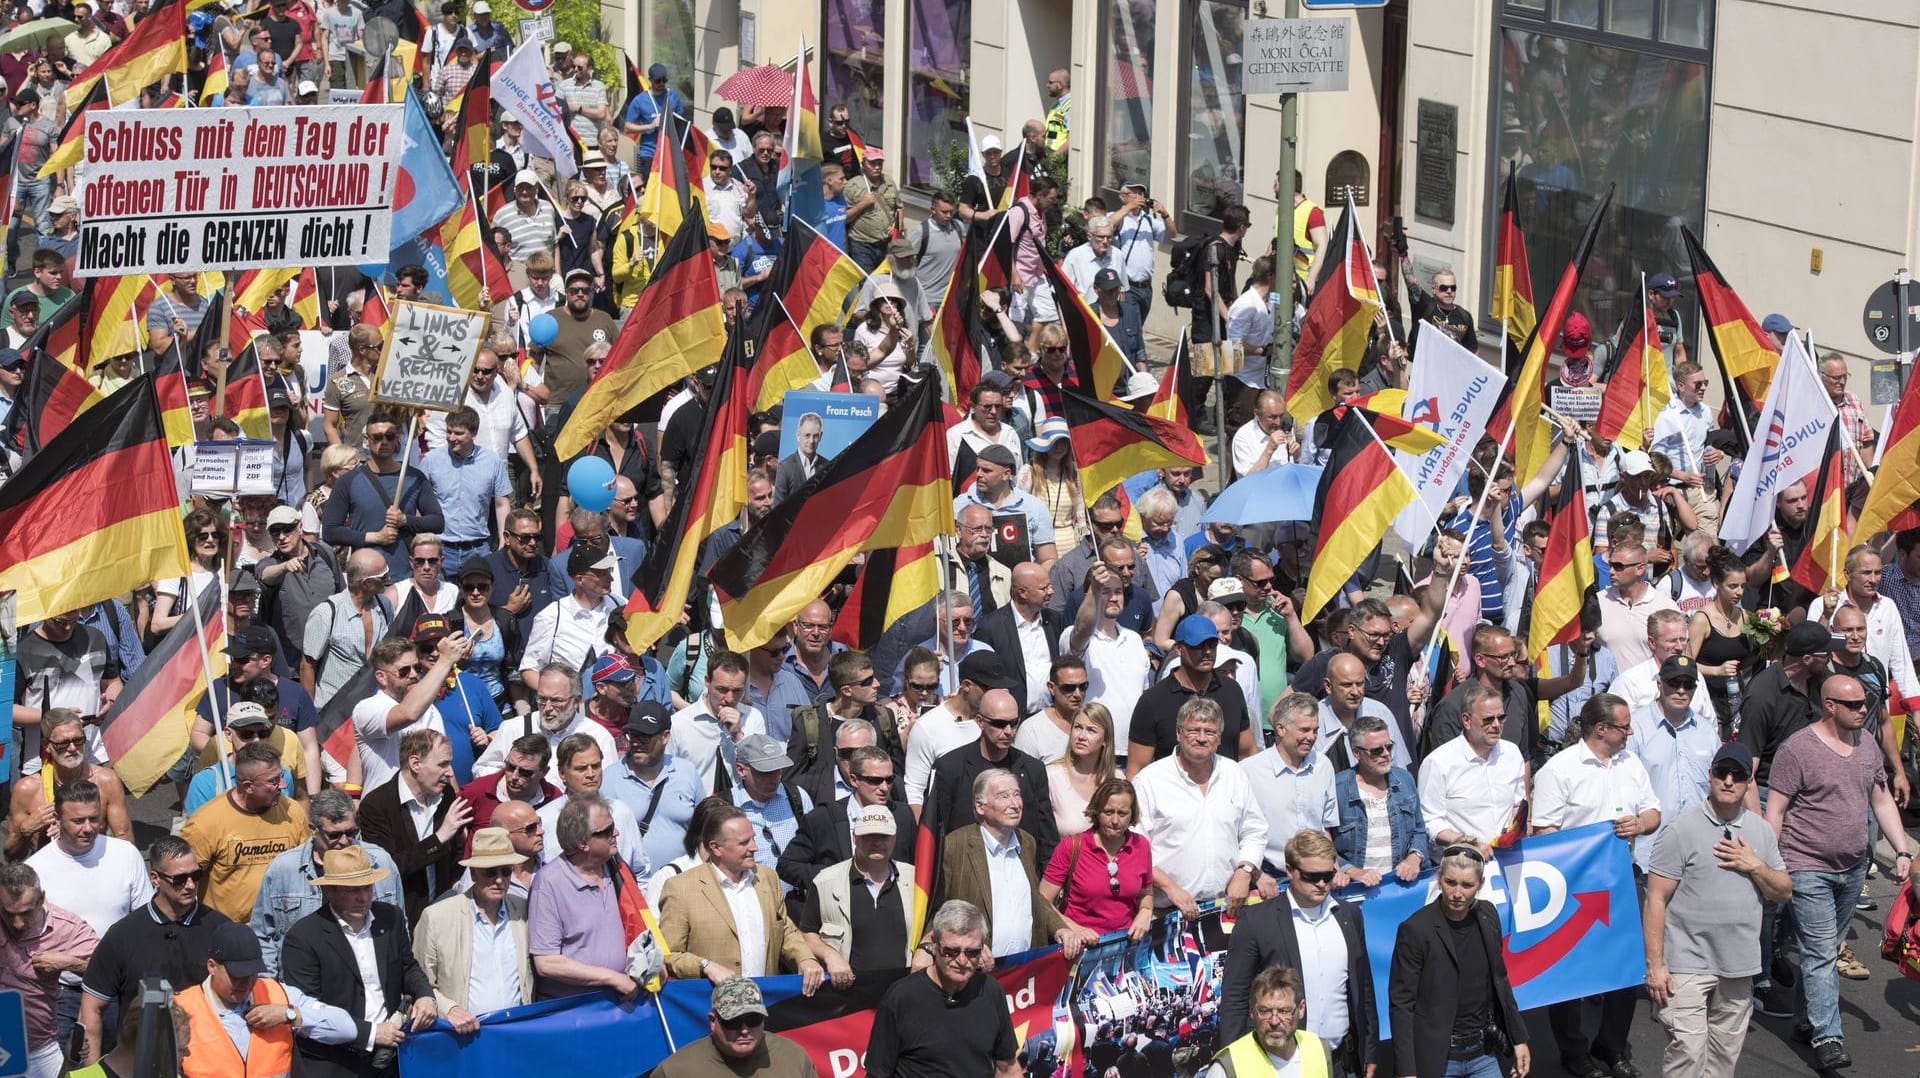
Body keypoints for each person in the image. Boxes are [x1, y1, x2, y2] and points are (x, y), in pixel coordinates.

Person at [1763, 674, 1914, 1069]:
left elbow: (1881, 799)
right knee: (1818, 951)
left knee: (1824, 950)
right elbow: (1775, 810)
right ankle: (1828, 1037)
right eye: (1854, 705)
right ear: (1829, 705)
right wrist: (1770, 866)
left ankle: (1804, 1020)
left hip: (1852, 868)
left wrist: (1902, 850)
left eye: (1864, 703)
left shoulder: (1867, 745)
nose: (1863, 710)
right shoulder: (1798, 749)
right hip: (1806, 865)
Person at [1531, 694, 1661, 1077]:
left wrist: (1640, 825)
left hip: (1622, 878)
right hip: (1574, 887)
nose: (1631, 732)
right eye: (1624, 726)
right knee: (1573, 971)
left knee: (1625, 967)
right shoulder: (1559, 770)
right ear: (1601, 729)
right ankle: (1573, 1052)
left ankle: (1612, 1045)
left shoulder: (1630, 762)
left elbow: (1653, 811)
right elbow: (1545, 833)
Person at [1643, 742, 1790, 1078]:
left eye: (1737, 775)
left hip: (1738, 966)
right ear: (1709, 776)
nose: (1728, 780)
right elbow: (1655, 900)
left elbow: (1783, 891)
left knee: (1723, 1064)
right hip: (1686, 964)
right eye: (1721, 773)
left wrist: (1755, 865)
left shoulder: (1760, 831)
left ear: (1748, 782)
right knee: (1688, 1055)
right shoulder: (1680, 830)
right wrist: (1655, 966)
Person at [1216, 829, 1375, 1071]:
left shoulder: (1350, 916)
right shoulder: (1256, 921)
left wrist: (1370, 1050)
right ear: (1289, 870)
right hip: (1280, 1064)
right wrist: (1235, 1065)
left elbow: (1363, 989)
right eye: (1312, 876)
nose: (1322, 884)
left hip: (1343, 1059)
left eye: (1328, 875)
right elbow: (1235, 998)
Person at [280, 847, 437, 1078]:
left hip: (389, 1060)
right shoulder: (303, 938)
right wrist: (371, 1034)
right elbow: (307, 1011)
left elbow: (407, 967)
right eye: (352, 891)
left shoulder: (390, 918)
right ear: (329, 892)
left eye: (367, 888)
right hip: (333, 1064)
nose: (363, 898)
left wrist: (425, 995)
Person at [77, 838, 229, 1063]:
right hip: (140, 1062)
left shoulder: (221, 930)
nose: (190, 885)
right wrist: (90, 1072)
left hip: (208, 1060)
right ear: (155, 878)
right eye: (179, 879)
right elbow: (91, 1007)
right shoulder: (123, 935)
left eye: (196, 875)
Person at [23, 781, 147, 1055]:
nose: (89, 828)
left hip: (118, 991)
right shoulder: (35, 870)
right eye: (78, 821)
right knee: (65, 1068)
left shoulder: (125, 855)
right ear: (57, 819)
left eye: (94, 818)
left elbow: (144, 924)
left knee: (119, 1066)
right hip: (64, 996)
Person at [1387, 841, 1530, 1078]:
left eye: (1467, 885)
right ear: (1439, 877)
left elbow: (1500, 981)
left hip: (1483, 1052)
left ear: (1480, 884)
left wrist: (1519, 1038)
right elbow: (1401, 1004)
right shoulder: (1415, 929)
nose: (1457, 893)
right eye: (1450, 882)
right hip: (1437, 1058)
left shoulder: (1488, 915)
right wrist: (1407, 1071)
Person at [658, 806, 826, 987]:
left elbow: (785, 931)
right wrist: (704, 966)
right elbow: (669, 954)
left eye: (753, 838)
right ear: (716, 848)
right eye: (743, 843)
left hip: (765, 1004)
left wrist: (805, 958)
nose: (754, 847)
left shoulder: (767, 879)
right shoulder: (680, 888)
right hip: (712, 1006)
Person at [171, 921, 360, 1078]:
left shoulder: (276, 993)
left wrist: (289, 1014)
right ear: (212, 966)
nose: (246, 983)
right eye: (237, 975)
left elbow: (347, 1028)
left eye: (252, 974)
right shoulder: (181, 1008)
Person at [1132, 699, 1269, 917]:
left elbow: (1255, 830)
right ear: (1178, 733)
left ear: (1219, 738)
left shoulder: (1234, 773)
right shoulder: (1149, 780)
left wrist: (1245, 871)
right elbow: (1134, 848)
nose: (1202, 738)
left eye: (1210, 732)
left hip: (1227, 907)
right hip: (1168, 911)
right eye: (1194, 730)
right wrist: (1170, 888)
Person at [249, 790, 402, 976]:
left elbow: (399, 928)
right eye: (334, 835)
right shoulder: (284, 869)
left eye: (351, 832)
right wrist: (270, 988)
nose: (344, 841)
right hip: (302, 984)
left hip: (369, 980)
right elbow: (263, 935)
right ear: (313, 830)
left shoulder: (380, 862)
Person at [866, 900, 1018, 1078]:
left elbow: (1007, 1068)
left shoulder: (991, 991)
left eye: (972, 953)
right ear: (934, 945)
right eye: (951, 952)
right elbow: (877, 1074)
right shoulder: (901, 998)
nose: (962, 960)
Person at [411, 827, 534, 1028]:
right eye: (490, 872)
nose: (499, 880)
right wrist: (449, 1009)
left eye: (505, 871)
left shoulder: (523, 910)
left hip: (515, 1032)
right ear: (474, 874)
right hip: (461, 1036)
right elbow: (419, 984)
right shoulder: (437, 917)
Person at [922, 689, 1059, 864]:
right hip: (968, 874)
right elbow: (934, 833)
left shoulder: (1033, 769)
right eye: (1000, 724)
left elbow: (1047, 835)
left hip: (1022, 871)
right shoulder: (950, 767)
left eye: (1014, 723)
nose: (1008, 731)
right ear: (980, 721)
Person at [526, 797, 642, 1001]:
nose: (616, 833)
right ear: (582, 843)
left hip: (621, 1001)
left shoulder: (618, 870)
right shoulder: (549, 883)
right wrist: (612, 978)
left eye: (613, 826)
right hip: (574, 1011)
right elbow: (546, 963)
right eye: (606, 831)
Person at [182, 743, 310, 925]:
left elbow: (305, 869)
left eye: (280, 777)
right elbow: (183, 881)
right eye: (273, 781)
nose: (282, 785)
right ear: (248, 786)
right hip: (228, 932)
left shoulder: (292, 811)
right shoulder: (205, 823)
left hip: (282, 926)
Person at [357, 729, 472, 923]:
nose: (450, 772)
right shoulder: (377, 805)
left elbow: (458, 851)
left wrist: (456, 882)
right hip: (402, 920)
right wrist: (438, 838)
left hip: (446, 916)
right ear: (415, 764)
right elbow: (388, 869)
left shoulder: (447, 796)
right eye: (443, 764)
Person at [796, 804, 915, 980]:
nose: (876, 843)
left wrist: (925, 949)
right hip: (848, 995)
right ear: (854, 838)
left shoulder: (915, 879)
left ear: (894, 838)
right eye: (868, 836)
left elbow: (933, 924)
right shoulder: (825, 882)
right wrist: (830, 955)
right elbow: (807, 933)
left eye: (883, 836)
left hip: (902, 992)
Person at [1417, 683, 1527, 858]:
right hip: (1460, 867)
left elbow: (1518, 804)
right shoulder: (1438, 762)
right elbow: (1429, 821)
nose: (1497, 725)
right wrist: (1469, 843)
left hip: (1506, 861)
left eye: (1501, 717)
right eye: (1488, 719)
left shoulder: (1512, 753)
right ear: (1466, 720)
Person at [1038, 777, 1153, 940]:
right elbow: (1042, 901)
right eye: (1108, 812)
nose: (1115, 821)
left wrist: (1145, 912)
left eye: (1122, 813)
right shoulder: (1071, 846)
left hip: (1124, 945)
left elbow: (1146, 894)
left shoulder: (1141, 846)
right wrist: (1074, 928)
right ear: (1097, 811)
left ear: (1132, 815)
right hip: (1080, 946)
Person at [652, 976, 819, 1078]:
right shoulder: (675, 1071)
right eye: (733, 1021)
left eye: (753, 1019)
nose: (744, 1030)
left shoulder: (794, 1058)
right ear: (712, 1021)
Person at [1331, 714, 1429, 886]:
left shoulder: (1405, 780)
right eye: (1377, 750)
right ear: (1356, 753)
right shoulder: (1338, 788)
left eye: (1389, 747)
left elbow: (1419, 830)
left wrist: (1415, 857)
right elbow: (1324, 844)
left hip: (1398, 885)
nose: (1386, 754)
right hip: (1354, 889)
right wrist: (1353, 871)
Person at [1202, 966, 1331, 1078]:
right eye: (1264, 1011)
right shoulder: (1227, 1067)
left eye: (1284, 1011)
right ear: (1252, 1011)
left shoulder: (1319, 1049)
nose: (1274, 1021)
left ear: (1301, 1009)